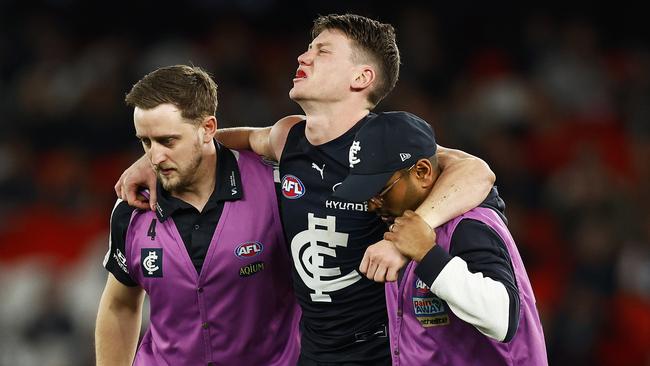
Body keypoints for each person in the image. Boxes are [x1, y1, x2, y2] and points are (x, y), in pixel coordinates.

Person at [116, 14, 496, 365]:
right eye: (308, 47)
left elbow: (476, 171)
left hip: (386, 350)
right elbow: (224, 139)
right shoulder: (288, 136)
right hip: (315, 352)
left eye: (322, 51)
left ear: (361, 78)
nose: (304, 56)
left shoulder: (388, 143)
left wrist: (409, 235)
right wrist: (152, 158)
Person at [95, 65, 300, 365]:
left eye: (168, 141)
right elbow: (119, 305)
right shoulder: (131, 208)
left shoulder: (276, 188)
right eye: (146, 142)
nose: (154, 157)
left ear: (208, 129)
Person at [332, 111, 548, 365]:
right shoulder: (400, 223)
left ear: (422, 172)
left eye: (380, 190)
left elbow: (503, 317)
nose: (371, 204)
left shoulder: (469, 225)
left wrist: (428, 255)